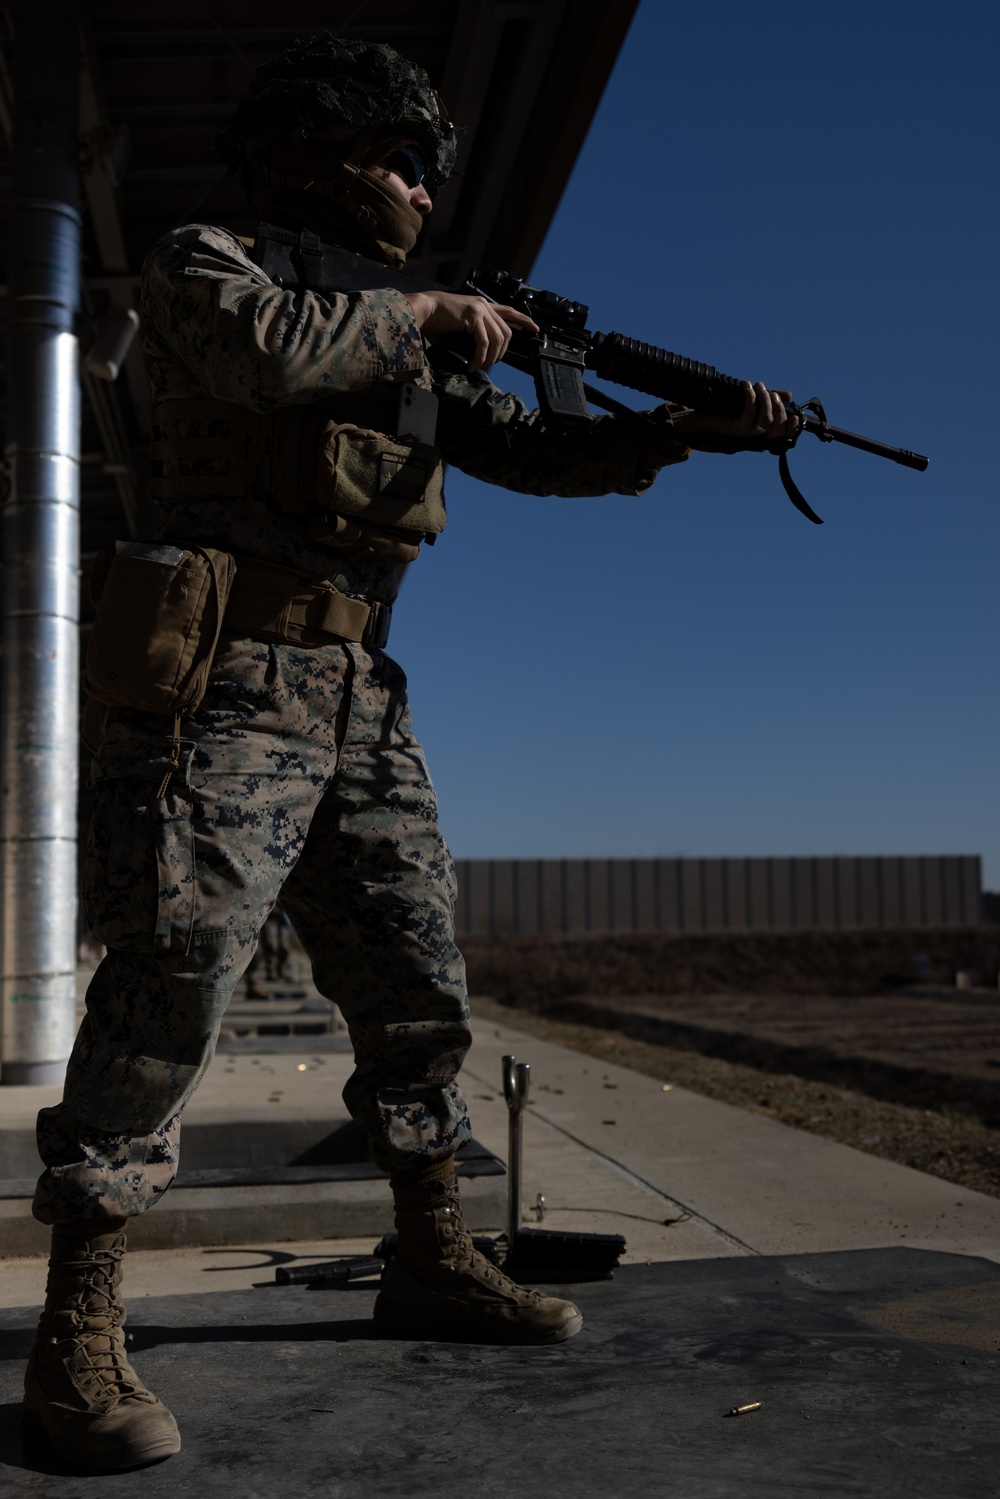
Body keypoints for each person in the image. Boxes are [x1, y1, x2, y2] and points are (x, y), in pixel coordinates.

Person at [22, 35, 797, 1470]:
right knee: (169, 989)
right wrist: (426, 316)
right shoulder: (221, 261)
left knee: (416, 979)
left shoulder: (401, 329)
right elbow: (247, 353)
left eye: (429, 167)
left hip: (356, 695)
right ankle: (80, 1325)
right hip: (221, 687)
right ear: (315, 156)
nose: (423, 191)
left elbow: (520, 450)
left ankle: (428, 1251)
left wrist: (678, 435)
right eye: (398, 159)